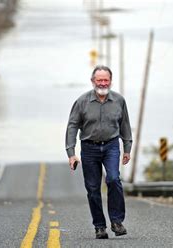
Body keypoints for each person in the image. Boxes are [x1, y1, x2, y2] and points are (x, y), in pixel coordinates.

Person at [65, 65, 133, 239]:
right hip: (89, 148)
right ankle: (100, 227)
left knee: (113, 179)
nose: (103, 83)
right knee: (93, 188)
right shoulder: (82, 102)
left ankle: (117, 222)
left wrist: (127, 148)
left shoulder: (119, 100)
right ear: (92, 81)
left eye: (106, 80)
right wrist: (71, 153)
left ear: (110, 81)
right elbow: (72, 126)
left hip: (111, 145)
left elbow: (125, 125)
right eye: (99, 80)